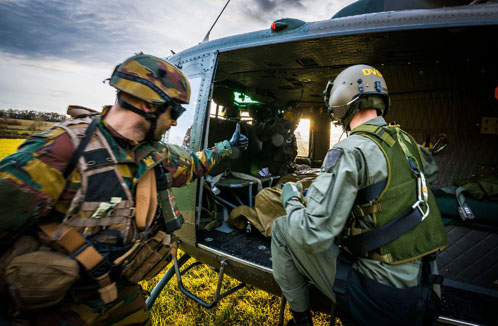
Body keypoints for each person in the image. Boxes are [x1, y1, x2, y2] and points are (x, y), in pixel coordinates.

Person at [0, 53, 248, 325]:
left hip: (117, 292)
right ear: (146, 105)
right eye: (174, 111)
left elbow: (191, 166)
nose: (175, 122)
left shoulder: (154, 154)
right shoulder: (60, 151)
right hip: (55, 307)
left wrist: (228, 147)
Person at [271, 64, 447, 326]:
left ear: (341, 103)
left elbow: (312, 234)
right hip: (424, 288)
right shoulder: (406, 141)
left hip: (379, 297)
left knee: (282, 229)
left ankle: (300, 320)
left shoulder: (350, 150)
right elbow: (428, 175)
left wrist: (292, 200)